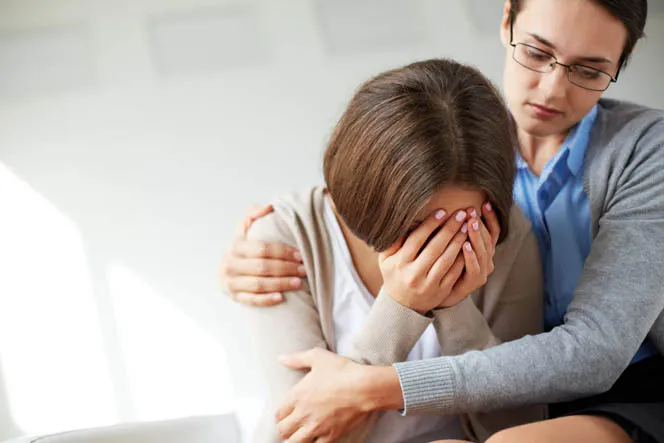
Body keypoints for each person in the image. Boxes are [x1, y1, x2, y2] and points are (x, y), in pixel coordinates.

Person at [222, 0, 664, 441]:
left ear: (622, 60)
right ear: (507, 20)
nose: (551, 90)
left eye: (588, 70)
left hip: (627, 385)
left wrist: (378, 377)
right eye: (534, 52)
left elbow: (592, 353)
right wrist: (238, 265)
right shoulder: (458, 143)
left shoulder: (636, 155)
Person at [242, 58, 544, 443]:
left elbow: (520, 430)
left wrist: (454, 306)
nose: (438, 249)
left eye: (459, 227)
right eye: (422, 225)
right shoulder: (285, 235)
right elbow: (302, 433)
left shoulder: (506, 233)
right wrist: (402, 307)